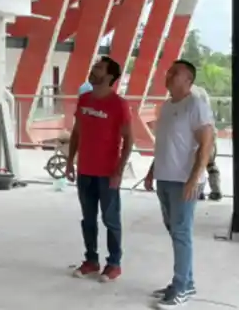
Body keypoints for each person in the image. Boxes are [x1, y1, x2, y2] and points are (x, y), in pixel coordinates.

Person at [143, 59, 215, 308]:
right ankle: (186, 281)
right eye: (169, 71)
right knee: (175, 232)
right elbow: (164, 143)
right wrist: (152, 171)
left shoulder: (196, 104)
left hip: (184, 181)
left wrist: (194, 179)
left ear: (188, 80)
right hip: (165, 177)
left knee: (181, 233)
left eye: (176, 73)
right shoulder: (166, 106)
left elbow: (206, 144)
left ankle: (181, 286)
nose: (169, 75)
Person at [64, 56, 133, 283]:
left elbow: (129, 139)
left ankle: (114, 264)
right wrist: (69, 161)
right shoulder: (84, 100)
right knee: (88, 219)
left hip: (107, 173)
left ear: (110, 76)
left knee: (111, 219)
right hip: (85, 170)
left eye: (99, 68)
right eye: (94, 66)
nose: (93, 70)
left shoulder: (119, 104)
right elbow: (77, 132)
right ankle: (91, 261)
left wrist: (119, 170)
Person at [191, 86, 222, 202]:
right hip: (211, 131)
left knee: (199, 162)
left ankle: (199, 191)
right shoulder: (202, 93)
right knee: (211, 163)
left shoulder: (192, 96)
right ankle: (216, 189)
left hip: (200, 134)